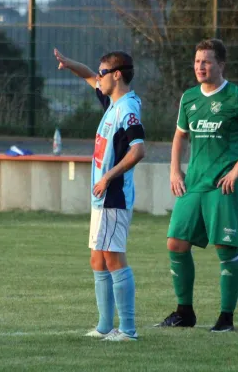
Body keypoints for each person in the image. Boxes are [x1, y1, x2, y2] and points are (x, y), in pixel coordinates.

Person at [155, 39, 238, 332]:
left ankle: (226, 319)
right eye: (197, 61)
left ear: (221, 65)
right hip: (194, 184)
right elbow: (180, 136)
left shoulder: (237, 97)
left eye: (207, 62)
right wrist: (175, 170)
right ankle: (185, 312)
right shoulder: (189, 98)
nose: (200, 67)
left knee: (225, 248)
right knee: (176, 242)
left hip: (223, 185)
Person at [54, 48, 146, 341]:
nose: (98, 77)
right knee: (98, 259)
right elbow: (87, 75)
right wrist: (69, 64)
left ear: (117, 75)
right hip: (101, 198)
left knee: (114, 257)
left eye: (103, 72)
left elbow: (138, 150)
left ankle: (128, 330)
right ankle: (105, 325)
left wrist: (107, 176)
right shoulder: (112, 102)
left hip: (113, 197)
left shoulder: (127, 108)